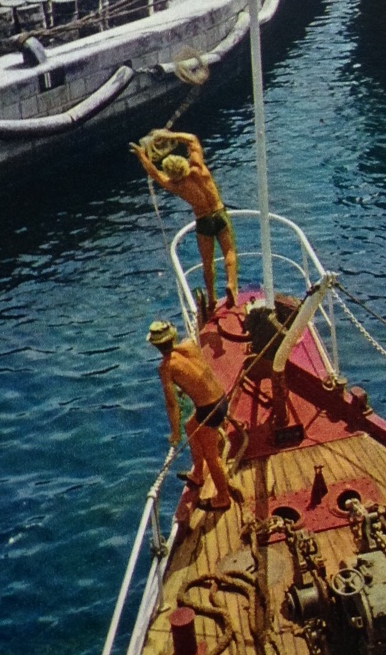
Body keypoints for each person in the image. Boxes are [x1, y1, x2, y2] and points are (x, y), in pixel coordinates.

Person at [131, 129, 238, 311]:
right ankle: (231, 284)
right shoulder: (199, 168)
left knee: (207, 263)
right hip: (219, 212)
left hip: (203, 220)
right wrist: (167, 135)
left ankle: (212, 298)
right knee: (229, 252)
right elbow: (193, 140)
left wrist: (142, 156)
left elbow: (155, 174)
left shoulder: (175, 186)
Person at [147, 320, 232, 511]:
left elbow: (171, 404)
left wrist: (174, 434)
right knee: (190, 426)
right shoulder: (189, 345)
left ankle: (223, 497)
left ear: (154, 345)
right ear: (173, 337)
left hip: (210, 409)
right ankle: (198, 475)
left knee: (212, 456)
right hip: (221, 398)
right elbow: (194, 373)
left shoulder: (165, 368)